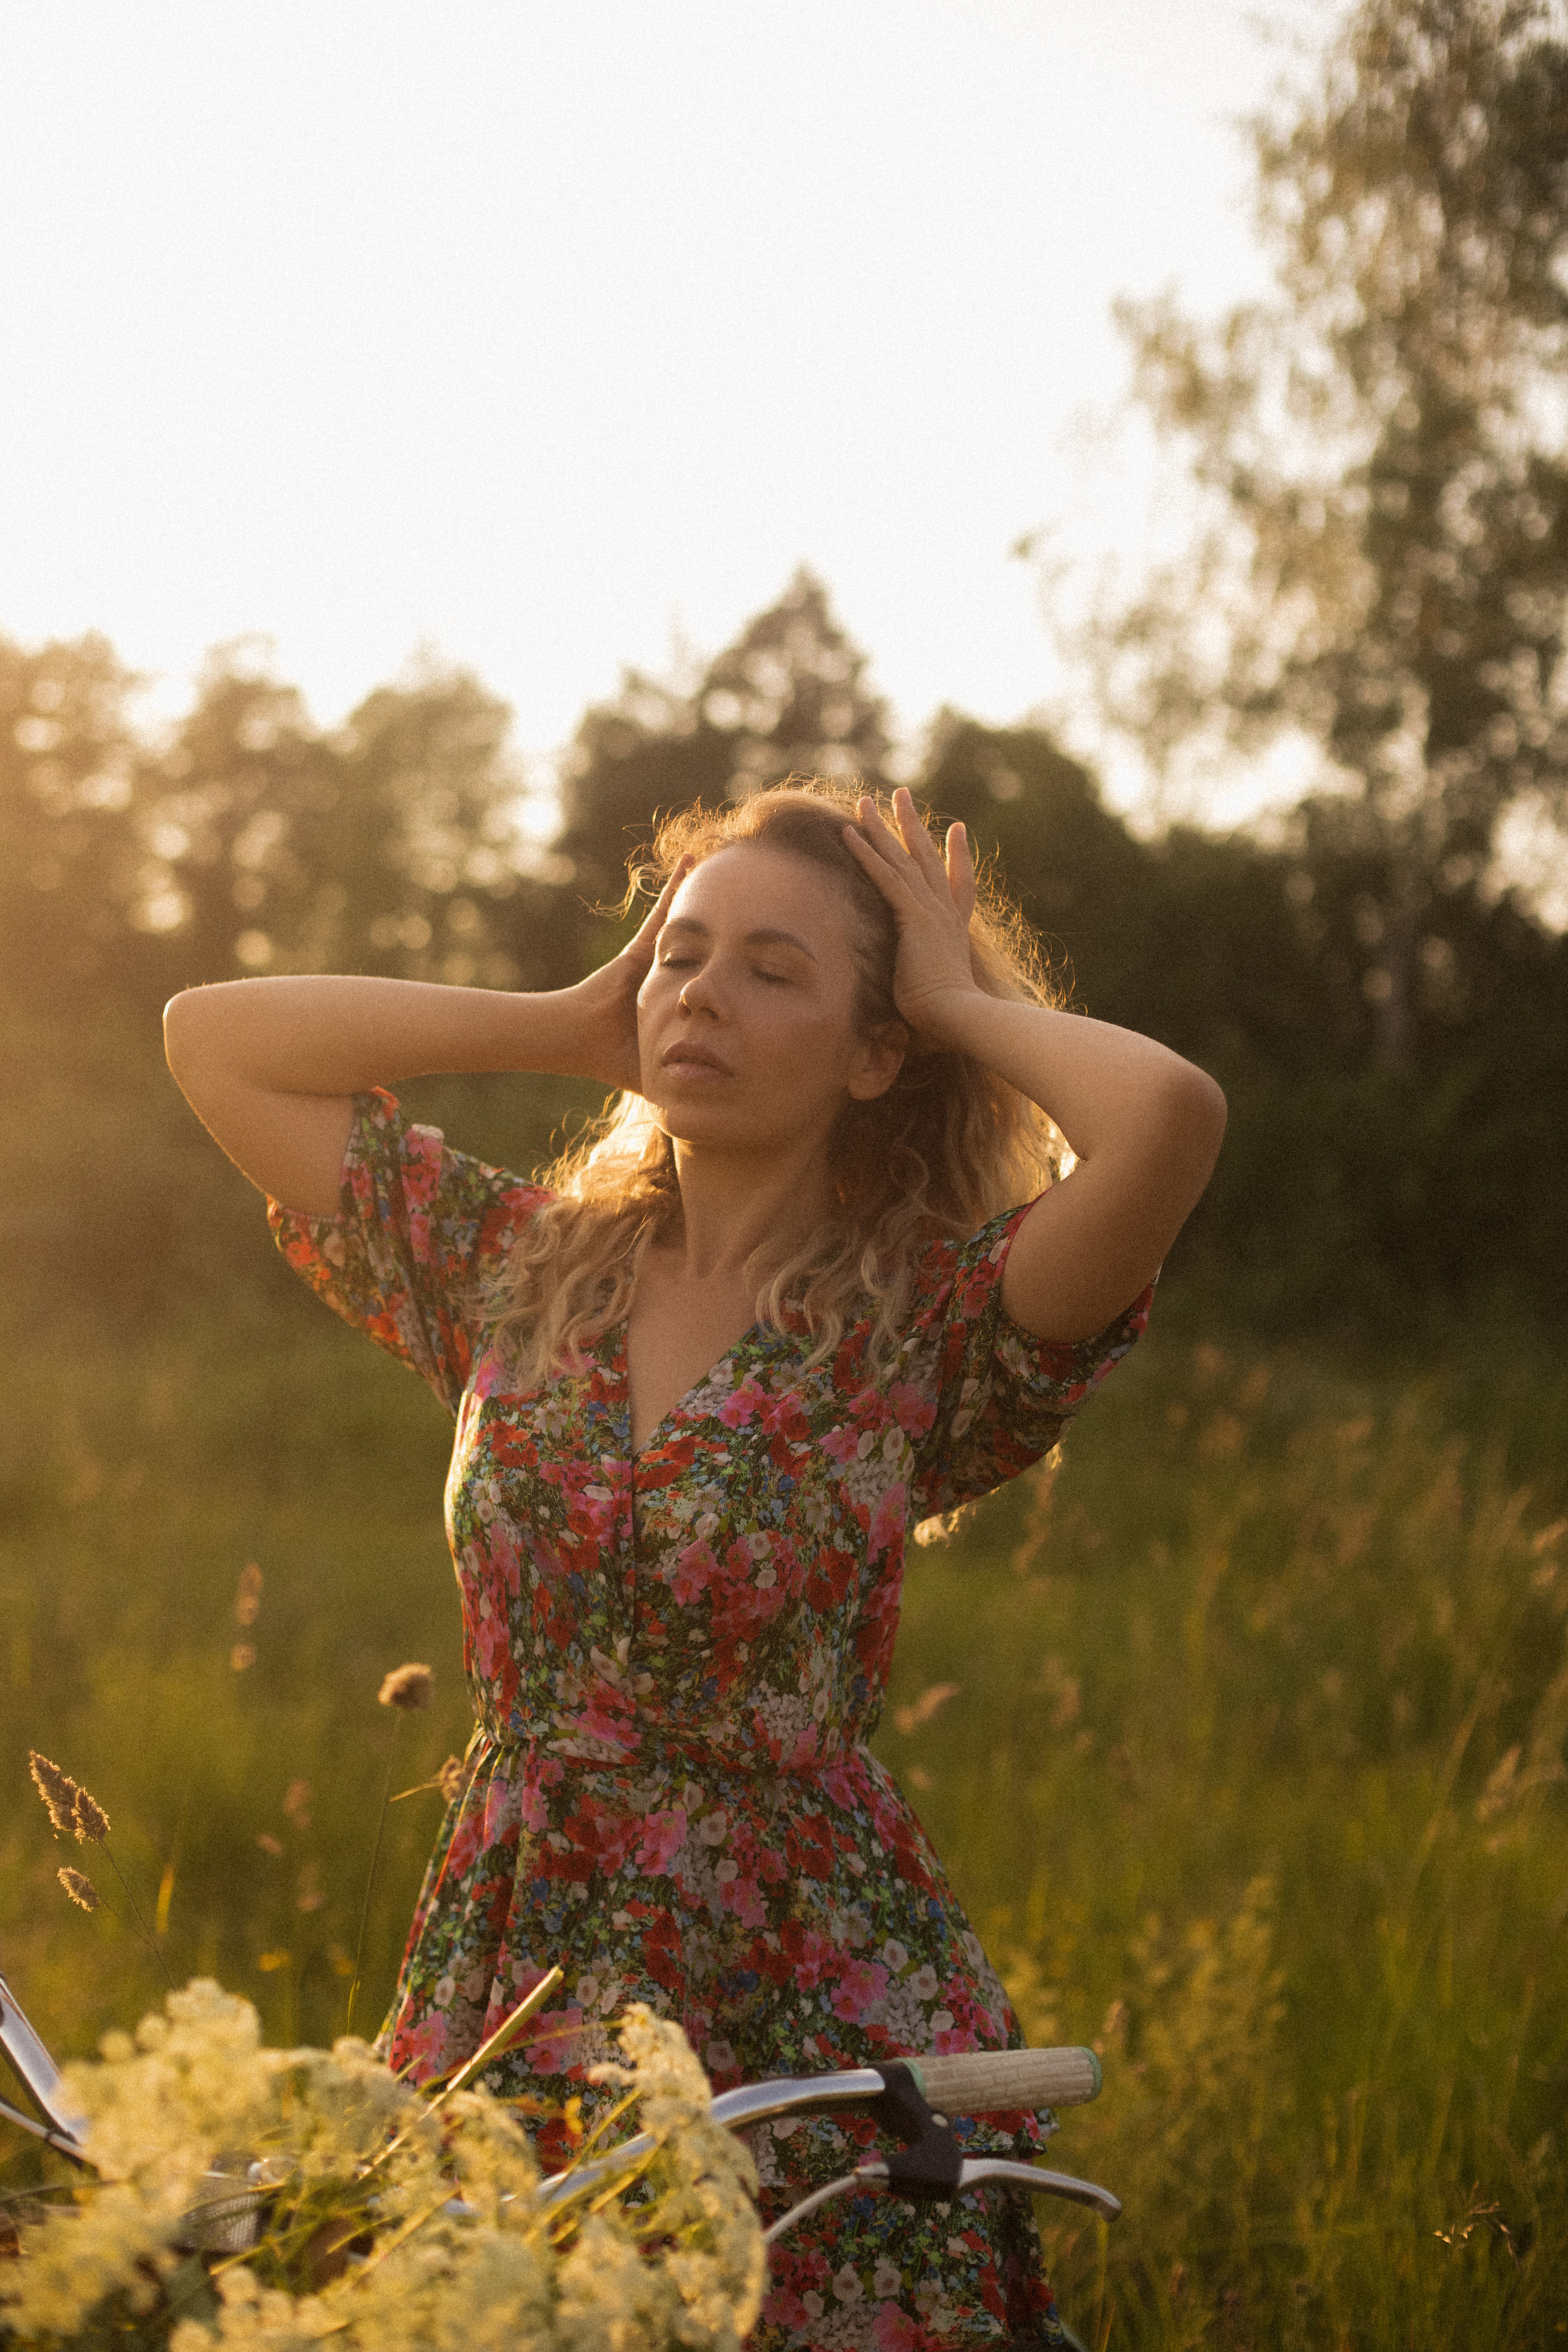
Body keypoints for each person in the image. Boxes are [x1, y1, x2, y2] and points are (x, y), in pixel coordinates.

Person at [164, 780, 1226, 2351]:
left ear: (875, 1054)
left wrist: (951, 999)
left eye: (772, 970)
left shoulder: (928, 1322)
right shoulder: (515, 1267)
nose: (704, 992)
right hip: (517, 1961)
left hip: (803, 1980)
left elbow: (1168, 1118)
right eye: (681, 954)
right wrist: (570, 1022)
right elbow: (212, 1038)